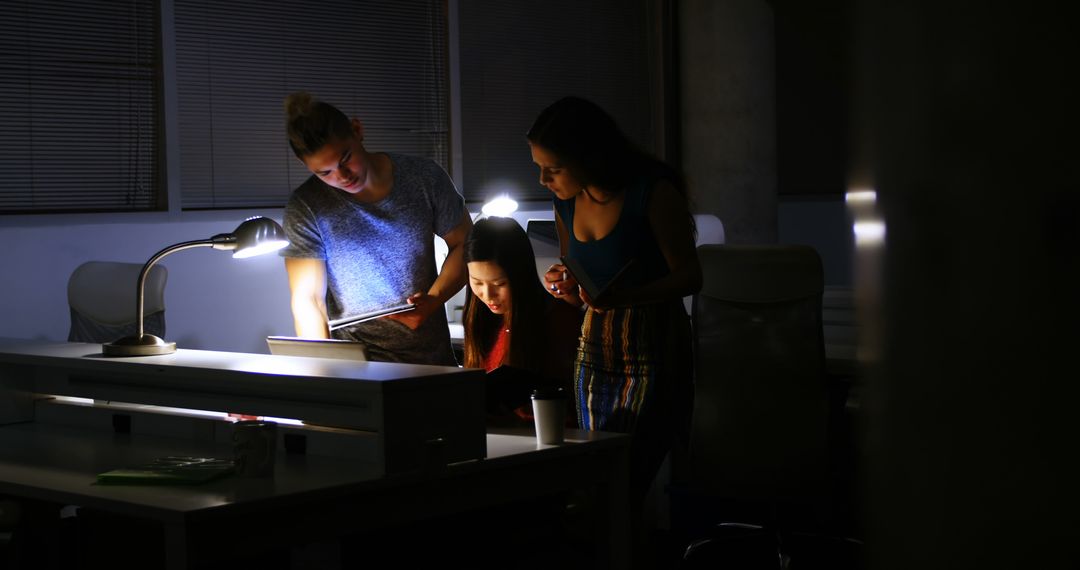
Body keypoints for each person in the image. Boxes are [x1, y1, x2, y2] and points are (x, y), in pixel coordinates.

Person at [527, 96, 702, 518]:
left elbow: (691, 277)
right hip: (595, 351)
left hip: (652, 350)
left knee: (625, 481)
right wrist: (566, 284)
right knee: (595, 478)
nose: (543, 180)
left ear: (587, 157)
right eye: (539, 168)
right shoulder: (566, 202)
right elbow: (580, 283)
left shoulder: (651, 193)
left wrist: (626, 297)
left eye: (553, 169)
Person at [279, 91, 471, 365]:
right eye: (325, 172)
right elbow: (309, 301)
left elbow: (465, 243)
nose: (342, 176)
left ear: (358, 131)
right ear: (306, 166)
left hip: (432, 362)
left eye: (345, 159)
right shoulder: (306, 206)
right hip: (359, 367)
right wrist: (322, 372)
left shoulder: (423, 177)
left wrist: (433, 299)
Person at [462, 216, 583, 423]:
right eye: (477, 283)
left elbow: (568, 408)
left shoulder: (555, 319)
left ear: (520, 274)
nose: (488, 295)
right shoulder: (481, 321)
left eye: (499, 284)